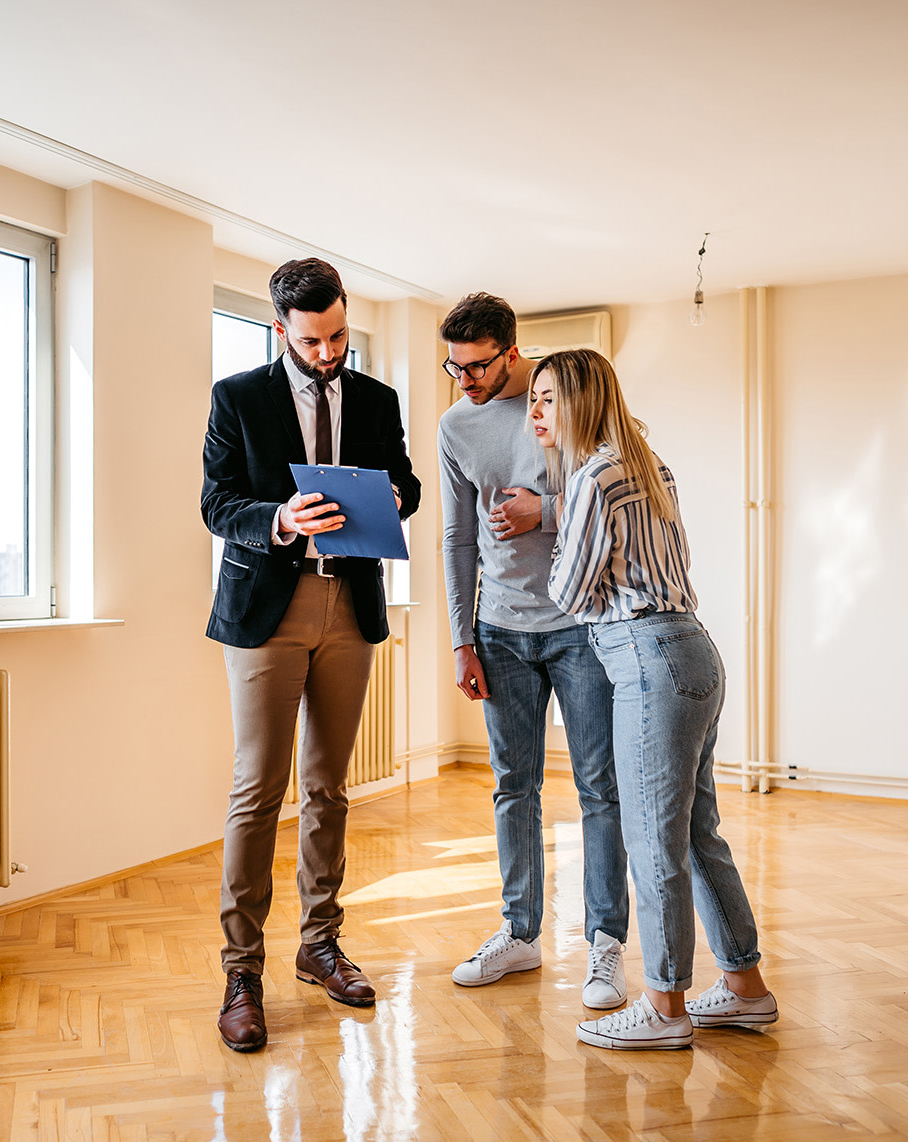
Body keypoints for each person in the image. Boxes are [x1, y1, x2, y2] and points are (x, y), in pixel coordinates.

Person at [201, 257, 422, 1052]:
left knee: (330, 786)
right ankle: (240, 970)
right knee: (257, 791)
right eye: (313, 340)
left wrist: (398, 495)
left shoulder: (376, 398)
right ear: (279, 329)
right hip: (267, 610)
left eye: (337, 337)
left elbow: (406, 482)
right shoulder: (236, 397)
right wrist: (282, 519)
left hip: (350, 604)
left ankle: (318, 943)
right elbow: (216, 502)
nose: (329, 353)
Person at [531, 348, 778, 1050]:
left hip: (645, 659)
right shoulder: (645, 462)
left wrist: (558, 557)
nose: (536, 413)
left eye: (548, 398)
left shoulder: (592, 476)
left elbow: (571, 593)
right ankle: (743, 989)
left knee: (653, 840)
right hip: (691, 650)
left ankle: (664, 1006)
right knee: (699, 833)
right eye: (533, 400)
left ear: (581, 401)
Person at [435, 294, 630, 1009]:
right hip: (500, 632)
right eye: (453, 367)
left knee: (598, 789)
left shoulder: (562, 405)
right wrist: (461, 638)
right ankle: (519, 934)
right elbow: (457, 539)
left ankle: (604, 946)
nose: (464, 379)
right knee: (512, 786)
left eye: (477, 366)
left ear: (511, 353)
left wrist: (540, 510)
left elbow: (619, 488)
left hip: (581, 625)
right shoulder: (454, 425)